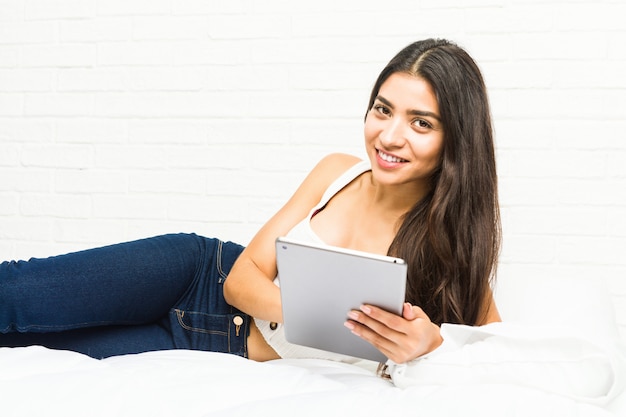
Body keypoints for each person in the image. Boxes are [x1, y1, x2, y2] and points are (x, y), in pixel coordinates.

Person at [0, 38, 501, 366]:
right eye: (382, 110)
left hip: (213, 348)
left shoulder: (451, 249)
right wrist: (327, 319)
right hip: (197, 275)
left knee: (34, 351)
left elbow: (502, 357)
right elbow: (242, 281)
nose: (390, 136)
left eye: (421, 123)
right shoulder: (336, 172)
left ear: (455, 141)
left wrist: (430, 347)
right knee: (18, 292)